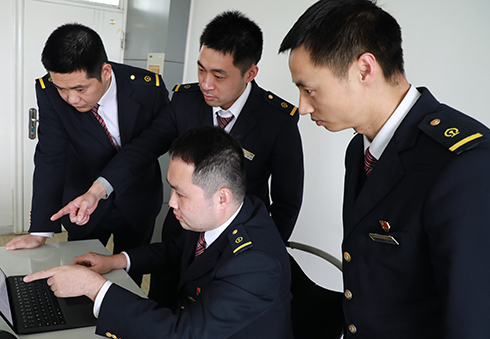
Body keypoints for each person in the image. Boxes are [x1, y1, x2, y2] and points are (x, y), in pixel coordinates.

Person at [279, 1, 490, 339]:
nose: (302, 106)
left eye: (309, 89)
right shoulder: (360, 150)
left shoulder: (462, 164)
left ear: (364, 68)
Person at [24, 126, 297, 339]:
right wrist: (116, 260)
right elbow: (176, 250)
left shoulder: (256, 261)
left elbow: (181, 337)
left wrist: (95, 288)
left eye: (181, 193)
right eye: (172, 189)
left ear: (222, 197)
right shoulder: (228, 212)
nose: (172, 203)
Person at [51, 11, 304, 305]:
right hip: (178, 240)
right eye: (201, 70)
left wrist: (266, 254)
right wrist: (97, 191)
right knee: (161, 304)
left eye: (218, 75)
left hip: (237, 248)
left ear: (250, 73)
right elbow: (142, 149)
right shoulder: (186, 101)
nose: (205, 84)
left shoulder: (277, 120)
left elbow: (286, 203)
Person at [5, 23, 169, 284]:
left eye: (80, 89)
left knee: (130, 277)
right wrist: (41, 230)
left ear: (105, 72)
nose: (71, 99)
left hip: (137, 197)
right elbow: (50, 156)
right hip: (83, 205)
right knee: (80, 276)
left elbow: (154, 144)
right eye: (62, 89)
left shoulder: (148, 89)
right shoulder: (49, 92)